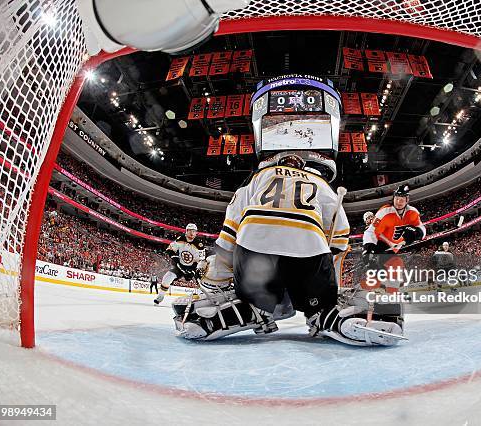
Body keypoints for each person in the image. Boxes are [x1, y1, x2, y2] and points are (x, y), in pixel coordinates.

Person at [172, 75, 403, 345]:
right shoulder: (322, 185)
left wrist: (216, 285)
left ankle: (249, 308)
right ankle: (326, 316)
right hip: (307, 261)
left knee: (251, 282)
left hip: (255, 267)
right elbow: (338, 244)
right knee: (320, 292)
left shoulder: (254, 182)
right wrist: (329, 292)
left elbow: (227, 243)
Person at [362, 185, 426, 256]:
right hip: (379, 244)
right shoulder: (384, 212)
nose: (398, 202)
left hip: (394, 249)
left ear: (407, 200)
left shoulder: (413, 212)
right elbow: (371, 231)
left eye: (401, 199)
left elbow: (422, 229)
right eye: (396, 198)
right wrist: (368, 248)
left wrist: (417, 232)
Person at [154, 223, 207, 305]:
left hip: (193, 268)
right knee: (167, 277)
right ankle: (160, 296)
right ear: (186, 231)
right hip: (180, 266)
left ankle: (203, 301)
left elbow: (201, 260)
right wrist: (175, 259)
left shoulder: (199, 245)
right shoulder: (180, 239)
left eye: (194, 231)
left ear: (196, 233)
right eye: (190, 231)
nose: (192, 233)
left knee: (202, 283)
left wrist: (193, 270)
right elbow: (169, 249)